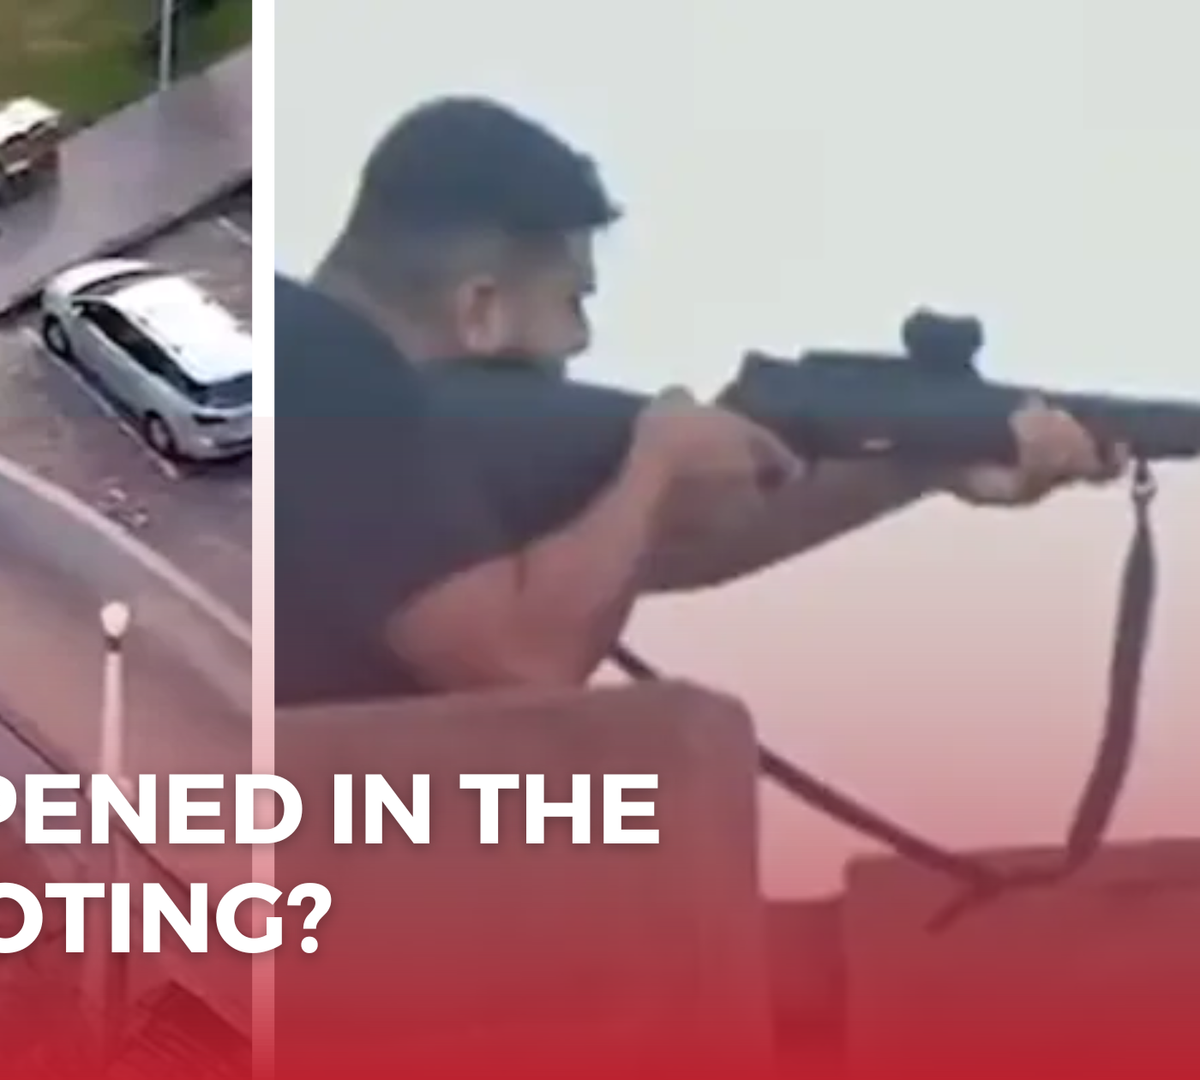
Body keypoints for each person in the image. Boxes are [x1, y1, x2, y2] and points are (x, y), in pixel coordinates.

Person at [276, 96, 1123, 707]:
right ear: (480, 310)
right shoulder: (327, 373)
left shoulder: (314, 387)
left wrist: (919, 459)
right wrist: (656, 463)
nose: (581, 343)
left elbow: (641, 556)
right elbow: (520, 666)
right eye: (573, 301)